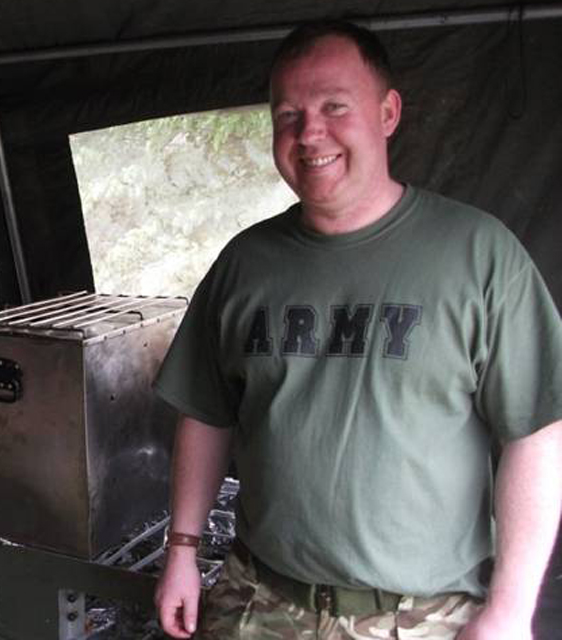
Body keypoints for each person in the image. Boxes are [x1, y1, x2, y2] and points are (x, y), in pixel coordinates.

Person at [153, 20, 562, 640]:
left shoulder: (479, 256)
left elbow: (537, 435)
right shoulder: (245, 263)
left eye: (334, 107)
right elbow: (208, 414)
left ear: (388, 112)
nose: (309, 132)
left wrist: (510, 608)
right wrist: (181, 549)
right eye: (287, 114)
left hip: (424, 618)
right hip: (259, 603)